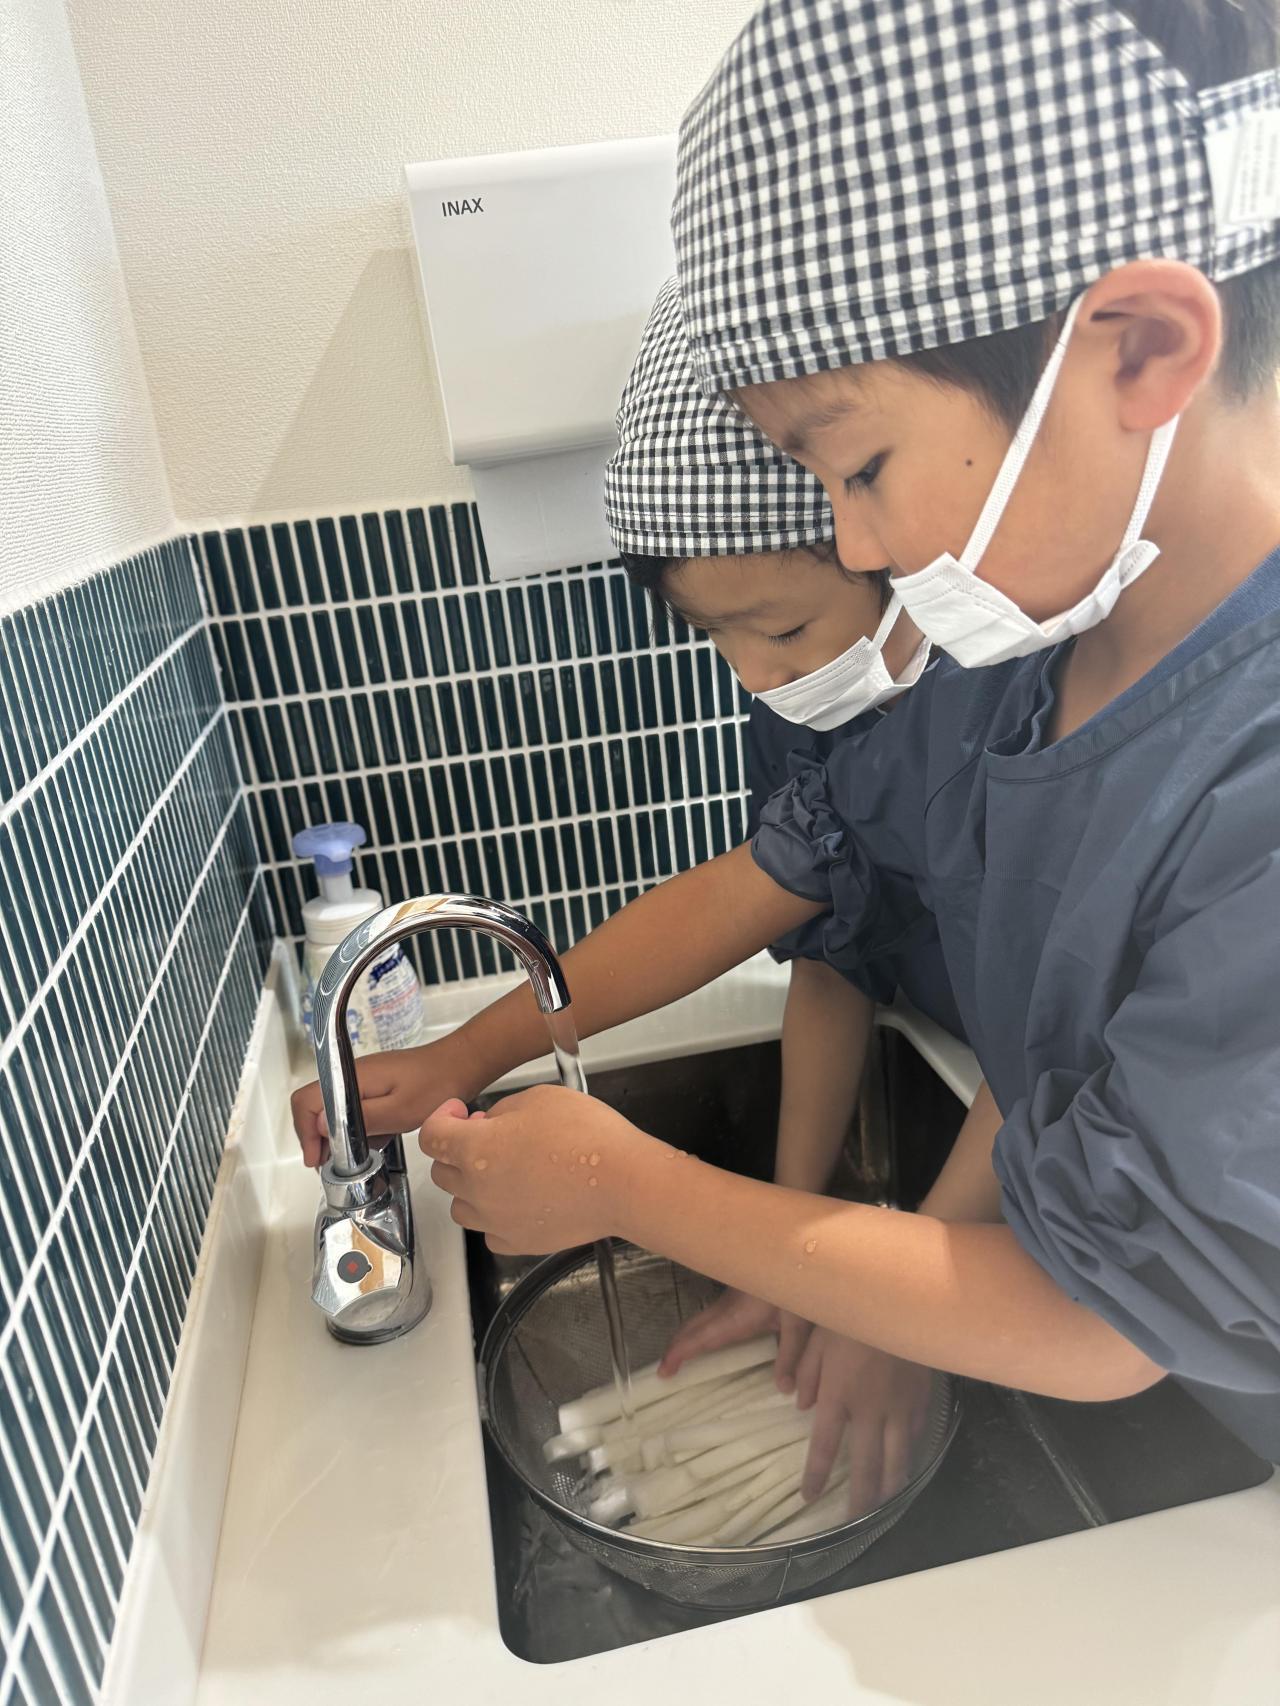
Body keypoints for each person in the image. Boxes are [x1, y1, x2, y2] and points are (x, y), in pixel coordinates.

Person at [401, 0, 1280, 1468]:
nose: (860, 545)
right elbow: (1055, 1063)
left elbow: (1105, 1319)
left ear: (1143, 348)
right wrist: (873, 1270)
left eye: (858, 465)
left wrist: (633, 1187)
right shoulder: (1029, 666)